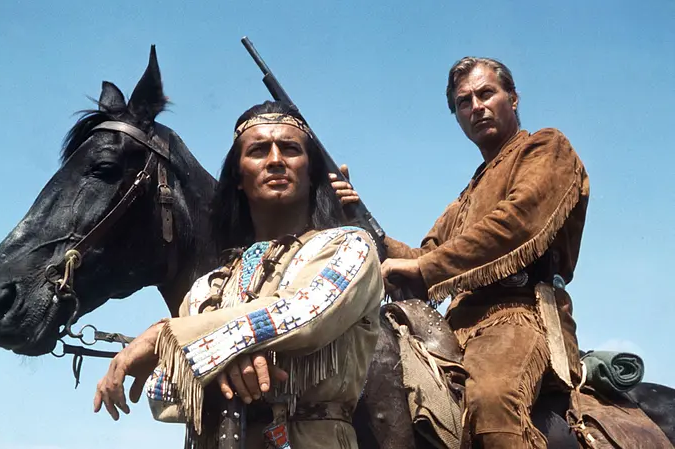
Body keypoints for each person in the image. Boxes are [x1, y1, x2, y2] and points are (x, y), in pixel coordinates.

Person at [93, 100, 384, 449]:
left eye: (290, 149)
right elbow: (160, 393)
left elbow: (304, 314)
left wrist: (165, 337)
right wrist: (228, 357)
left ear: (311, 173)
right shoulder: (205, 288)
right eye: (258, 150)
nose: (275, 159)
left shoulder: (350, 246)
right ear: (238, 178)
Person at [332, 57, 589, 448]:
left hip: (520, 314)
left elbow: (516, 223)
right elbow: (421, 256)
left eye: (486, 94)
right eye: (464, 102)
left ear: (513, 98)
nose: (476, 107)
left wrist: (424, 267)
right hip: (452, 325)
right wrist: (354, 218)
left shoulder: (546, 147)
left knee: (490, 400)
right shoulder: (464, 198)